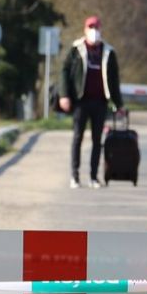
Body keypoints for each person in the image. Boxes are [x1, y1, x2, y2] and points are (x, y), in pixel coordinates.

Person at [57, 15, 124, 188]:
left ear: (101, 30)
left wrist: (119, 104)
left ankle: (93, 177)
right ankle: (75, 176)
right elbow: (64, 72)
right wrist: (64, 95)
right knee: (78, 137)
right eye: (90, 27)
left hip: (100, 102)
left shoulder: (108, 52)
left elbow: (114, 80)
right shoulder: (76, 49)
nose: (94, 31)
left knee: (97, 139)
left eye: (96, 28)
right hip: (81, 101)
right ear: (85, 29)